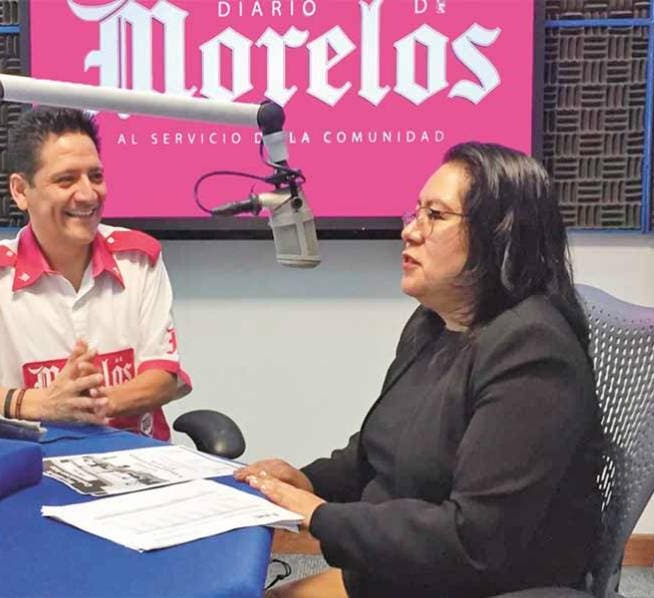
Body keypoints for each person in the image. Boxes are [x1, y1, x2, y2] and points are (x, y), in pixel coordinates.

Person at [236, 142, 603, 597]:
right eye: (415, 213)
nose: (410, 231)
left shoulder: (532, 351)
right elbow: (377, 451)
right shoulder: (433, 323)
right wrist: (307, 480)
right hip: (405, 572)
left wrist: (320, 515)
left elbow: (474, 539)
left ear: (500, 234)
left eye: (436, 215)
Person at [0, 107, 191, 440]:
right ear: (20, 191)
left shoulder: (140, 259)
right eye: (66, 180)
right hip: (33, 459)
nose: (87, 194)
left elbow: (163, 375)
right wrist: (41, 403)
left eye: (95, 177)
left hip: (140, 456)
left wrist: (89, 405)